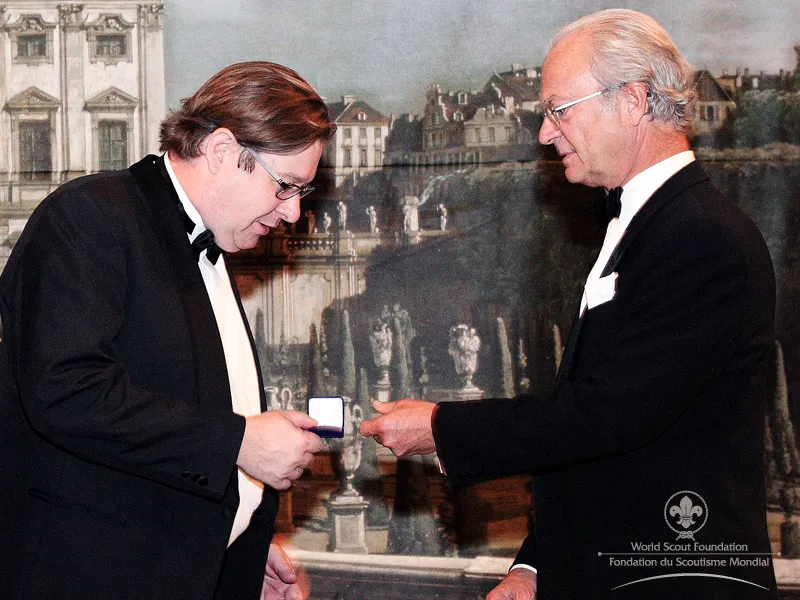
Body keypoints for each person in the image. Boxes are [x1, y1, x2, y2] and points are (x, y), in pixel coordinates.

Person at [361, 9, 777, 600]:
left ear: (632, 101)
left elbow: (607, 415)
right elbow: (599, 443)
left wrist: (440, 428)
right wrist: (534, 568)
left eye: (559, 109)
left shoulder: (702, 237)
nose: (544, 133)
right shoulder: (649, 224)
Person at [0, 61, 334, 600]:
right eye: (285, 186)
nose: (293, 212)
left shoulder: (211, 242)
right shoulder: (90, 214)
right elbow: (65, 391)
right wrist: (239, 441)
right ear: (222, 150)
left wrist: (235, 545)